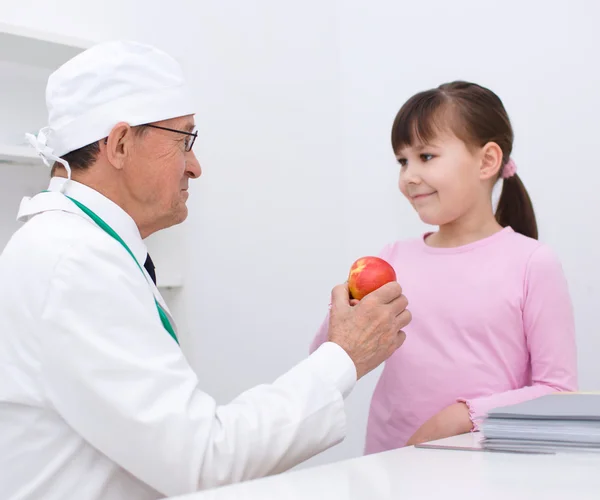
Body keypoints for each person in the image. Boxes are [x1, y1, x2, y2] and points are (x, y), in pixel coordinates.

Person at [0, 40, 411, 500]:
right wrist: (344, 356)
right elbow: (203, 460)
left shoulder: (79, 249)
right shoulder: (72, 261)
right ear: (118, 144)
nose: (195, 167)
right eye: (184, 140)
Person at [310, 80, 577, 455]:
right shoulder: (393, 259)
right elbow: (328, 359)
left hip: (488, 469)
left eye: (426, 157)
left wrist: (462, 416)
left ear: (487, 161)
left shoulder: (533, 263)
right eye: (402, 161)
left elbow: (558, 391)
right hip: (391, 467)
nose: (409, 176)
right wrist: (343, 318)